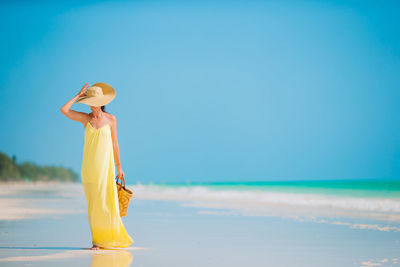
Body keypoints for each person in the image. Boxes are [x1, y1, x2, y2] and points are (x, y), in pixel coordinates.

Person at [60, 82, 134, 250]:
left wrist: (120, 167)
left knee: (107, 202)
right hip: (89, 168)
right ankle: (97, 241)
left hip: (106, 168)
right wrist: (78, 96)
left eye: (95, 101)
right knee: (94, 204)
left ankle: (111, 236)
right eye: (90, 101)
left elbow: (115, 144)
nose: (93, 105)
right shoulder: (85, 119)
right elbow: (64, 110)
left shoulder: (111, 119)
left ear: (102, 102)